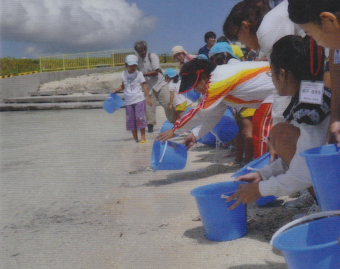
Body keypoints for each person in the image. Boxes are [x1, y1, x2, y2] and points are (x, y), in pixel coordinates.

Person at [226, 36, 331, 216]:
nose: (272, 79)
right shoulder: (312, 94)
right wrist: (264, 174)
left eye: (271, 73)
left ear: (282, 74)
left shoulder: (309, 108)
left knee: (281, 134)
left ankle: (329, 209)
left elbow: (304, 173)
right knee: (281, 133)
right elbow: (304, 155)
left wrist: (260, 189)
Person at [157, 59, 276, 158]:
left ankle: (261, 177)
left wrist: (175, 130)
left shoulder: (217, 81)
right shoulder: (220, 85)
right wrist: (195, 134)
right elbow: (214, 115)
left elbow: (200, 112)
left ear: (203, 77)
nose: (196, 91)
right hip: (272, 93)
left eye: (195, 86)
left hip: (275, 89)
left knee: (261, 130)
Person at [224, 0, 305, 126]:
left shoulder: (267, 30)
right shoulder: (273, 21)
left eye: (236, 37)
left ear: (245, 26)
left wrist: (278, 125)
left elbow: (285, 84)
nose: (241, 43)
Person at [287, 0, 340, 145]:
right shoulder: (336, 43)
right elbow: (337, 72)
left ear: (329, 21)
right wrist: (335, 118)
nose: (314, 42)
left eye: (308, 32)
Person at [111, 55, 152, 143]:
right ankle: (135, 139)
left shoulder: (139, 74)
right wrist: (115, 90)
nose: (132, 67)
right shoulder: (123, 74)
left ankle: (143, 138)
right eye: (130, 66)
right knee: (130, 120)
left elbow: (144, 86)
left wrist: (148, 98)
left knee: (140, 118)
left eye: (134, 65)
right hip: (128, 101)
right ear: (126, 65)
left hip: (138, 99)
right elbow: (123, 86)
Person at [134, 41, 174, 133]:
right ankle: (150, 126)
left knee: (167, 102)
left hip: (160, 83)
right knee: (149, 107)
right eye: (140, 51)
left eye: (143, 50)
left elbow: (156, 72)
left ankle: (174, 122)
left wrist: (142, 74)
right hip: (148, 86)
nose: (142, 53)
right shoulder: (138, 61)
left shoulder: (152, 56)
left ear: (146, 49)